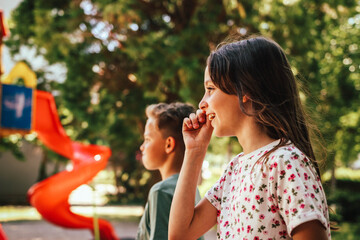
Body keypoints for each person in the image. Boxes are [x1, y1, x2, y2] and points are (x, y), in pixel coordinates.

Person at [169, 35, 331, 240]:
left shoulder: (285, 162)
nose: (202, 102)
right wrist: (194, 151)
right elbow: (179, 234)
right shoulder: (234, 170)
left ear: (244, 90)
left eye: (210, 89)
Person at [136, 102, 204, 240]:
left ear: (169, 144)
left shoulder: (161, 191)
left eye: (147, 139)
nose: (142, 147)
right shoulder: (193, 190)